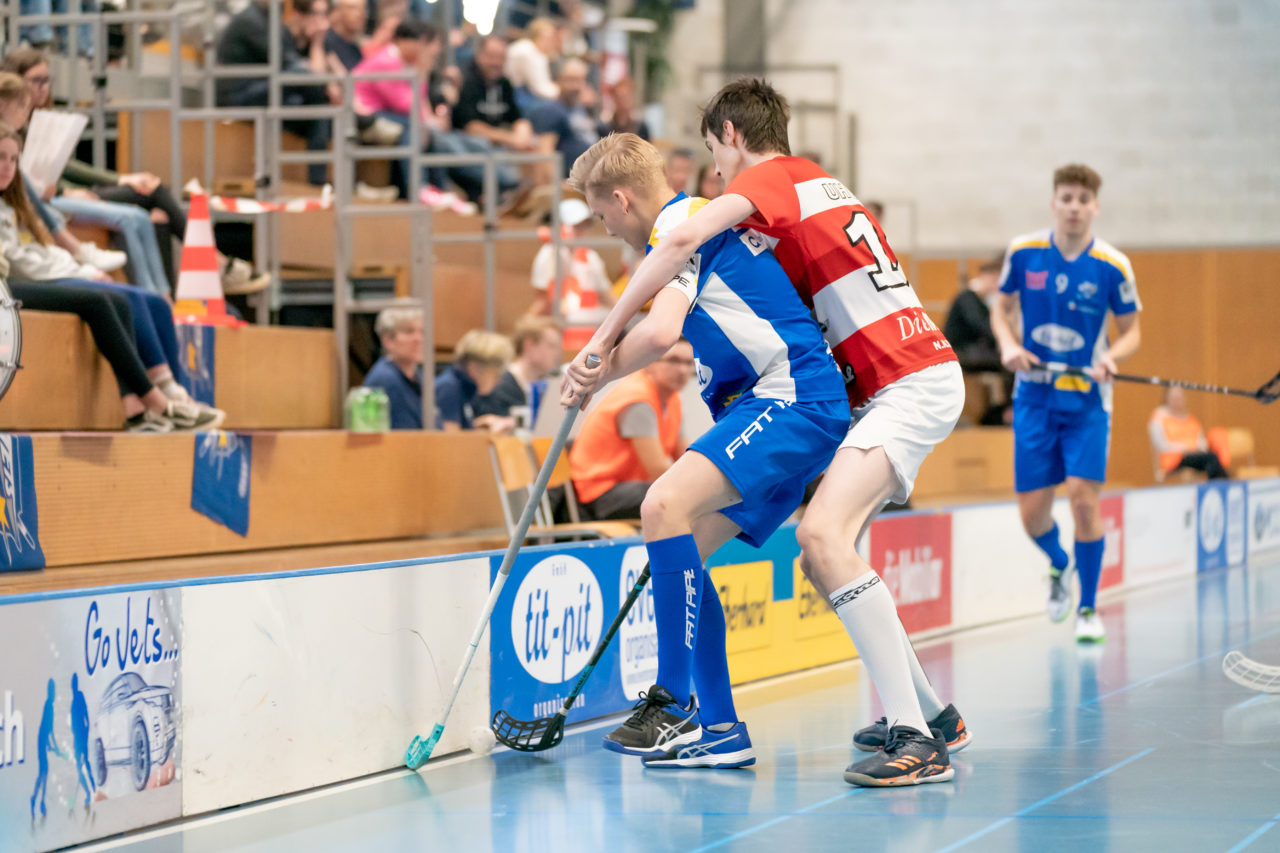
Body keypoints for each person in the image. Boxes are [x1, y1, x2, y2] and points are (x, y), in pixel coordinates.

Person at [565, 80, 970, 787]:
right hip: (878, 382)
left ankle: (911, 735)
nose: (717, 178)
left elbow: (682, 246)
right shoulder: (816, 192)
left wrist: (597, 346)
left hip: (891, 382)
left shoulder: (768, 182)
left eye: (717, 161)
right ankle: (920, 716)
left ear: (729, 133)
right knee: (802, 551)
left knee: (810, 536)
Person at [562, 132, 850, 769]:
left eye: (600, 212)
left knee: (663, 503)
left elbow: (662, 331)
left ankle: (671, 704)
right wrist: (601, 366)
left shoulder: (683, 226)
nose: (605, 227)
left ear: (619, 198)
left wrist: (594, 371)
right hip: (787, 402)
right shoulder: (688, 227)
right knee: (685, 548)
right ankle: (721, 729)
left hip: (791, 396)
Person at [990, 163, 1142, 644]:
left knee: (1082, 500)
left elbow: (1132, 331)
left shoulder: (1113, 265)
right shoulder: (1024, 252)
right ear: (1054, 202)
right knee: (1033, 516)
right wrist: (1008, 346)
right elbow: (1000, 308)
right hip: (1034, 397)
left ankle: (1089, 609)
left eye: (1083, 199)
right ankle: (1060, 564)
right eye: (1067, 197)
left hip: (1087, 402)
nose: (1074, 206)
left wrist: (1112, 358)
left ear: (1094, 206)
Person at [0, 122, 223, 432]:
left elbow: (39, 251)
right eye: (1, 158)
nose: (8, 167)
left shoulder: (14, 202)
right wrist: (80, 271)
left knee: (133, 300)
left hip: (42, 274)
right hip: (11, 287)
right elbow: (19, 263)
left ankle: (141, 408)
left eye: (13, 159)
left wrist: (77, 268)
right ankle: (158, 402)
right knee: (100, 299)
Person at [3, 50, 272, 295]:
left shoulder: (36, 121)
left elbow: (62, 167)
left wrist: (117, 179)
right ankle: (169, 288)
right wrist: (70, 189)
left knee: (156, 213)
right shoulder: (10, 131)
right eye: (35, 80)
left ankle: (166, 296)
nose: (43, 88)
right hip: (51, 201)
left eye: (47, 80)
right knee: (137, 215)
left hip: (56, 194)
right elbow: (29, 181)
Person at [569, 338, 693, 521]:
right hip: (600, 493)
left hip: (630, 487)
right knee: (677, 497)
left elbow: (685, 458)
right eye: (674, 360)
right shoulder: (638, 400)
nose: (683, 370)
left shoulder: (672, 399)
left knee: (689, 493)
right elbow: (658, 470)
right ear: (650, 363)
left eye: (689, 363)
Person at [451, 35, 539, 196]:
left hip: (498, 143)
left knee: (534, 144)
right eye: (492, 57)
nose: (496, 63)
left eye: (501, 58)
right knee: (483, 147)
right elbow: (471, 128)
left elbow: (517, 117)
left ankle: (529, 196)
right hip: (470, 145)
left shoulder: (504, 83)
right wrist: (511, 138)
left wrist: (523, 132)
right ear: (479, 55)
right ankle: (510, 190)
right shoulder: (467, 80)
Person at [529, 198, 615, 350]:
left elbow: (608, 298)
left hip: (589, 334)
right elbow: (545, 303)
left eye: (584, 226)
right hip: (557, 332)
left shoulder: (590, 258)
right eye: (576, 226)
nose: (582, 231)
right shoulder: (549, 255)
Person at [472, 315, 562, 428]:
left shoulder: (546, 386)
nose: (557, 354)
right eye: (551, 346)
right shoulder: (499, 385)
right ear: (529, 346)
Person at [434, 329, 514, 431]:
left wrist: (477, 426)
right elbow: (451, 441)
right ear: (474, 368)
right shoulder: (449, 389)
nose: (498, 380)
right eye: (496, 374)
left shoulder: (463, 388)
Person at [530, 58, 599, 171]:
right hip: (571, 180)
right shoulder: (552, 110)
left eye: (580, 80)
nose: (576, 86)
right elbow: (546, 155)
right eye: (571, 80)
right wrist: (557, 185)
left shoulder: (579, 108)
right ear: (559, 80)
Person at [363, 304, 425, 429]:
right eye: (409, 331)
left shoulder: (418, 376)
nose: (419, 338)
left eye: (423, 332)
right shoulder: (385, 380)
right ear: (388, 340)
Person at [1149, 386, 1227, 481]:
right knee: (1211, 459)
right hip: (1174, 460)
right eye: (1173, 398)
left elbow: (1202, 442)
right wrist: (1184, 448)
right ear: (1167, 399)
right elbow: (1160, 445)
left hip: (1195, 457)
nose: (1176, 401)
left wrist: (1197, 449)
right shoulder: (1159, 419)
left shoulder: (1191, 420)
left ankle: (1221, 484)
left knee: (1215, 460)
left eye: (1179, 397)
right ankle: (1220, 486)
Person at [943, 255, 1003, 372]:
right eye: (994, 279)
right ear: (983, 277)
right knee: (1008, 361)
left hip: (970, 349)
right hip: (960, 351)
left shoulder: (981, 300)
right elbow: (982, 325)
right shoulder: (967, 298)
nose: (997, 284)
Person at [504, 17, 562, 113]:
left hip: (522, 92)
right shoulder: (527, 51)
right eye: (548, 38)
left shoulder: (534, 51)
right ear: (537, 36)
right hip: (514, 95)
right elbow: (540, 88)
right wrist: (564, 92)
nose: (552, 42)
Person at [70, 673, 95, 808]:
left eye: (74, 683)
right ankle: (88, 792)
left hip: (82, 736)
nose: (72, 686)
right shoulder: (73, 701)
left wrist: (86, 730)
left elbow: (85, 715)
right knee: (79, 767)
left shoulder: (79, 697)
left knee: (86, 762)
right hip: (77, 738)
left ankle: (93, 787)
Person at [325, 0, 368, 70]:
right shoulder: (326, 44)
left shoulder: (356, 47)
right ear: (336, 12)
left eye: (363, 8)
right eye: (352, 8)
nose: (360, 14)